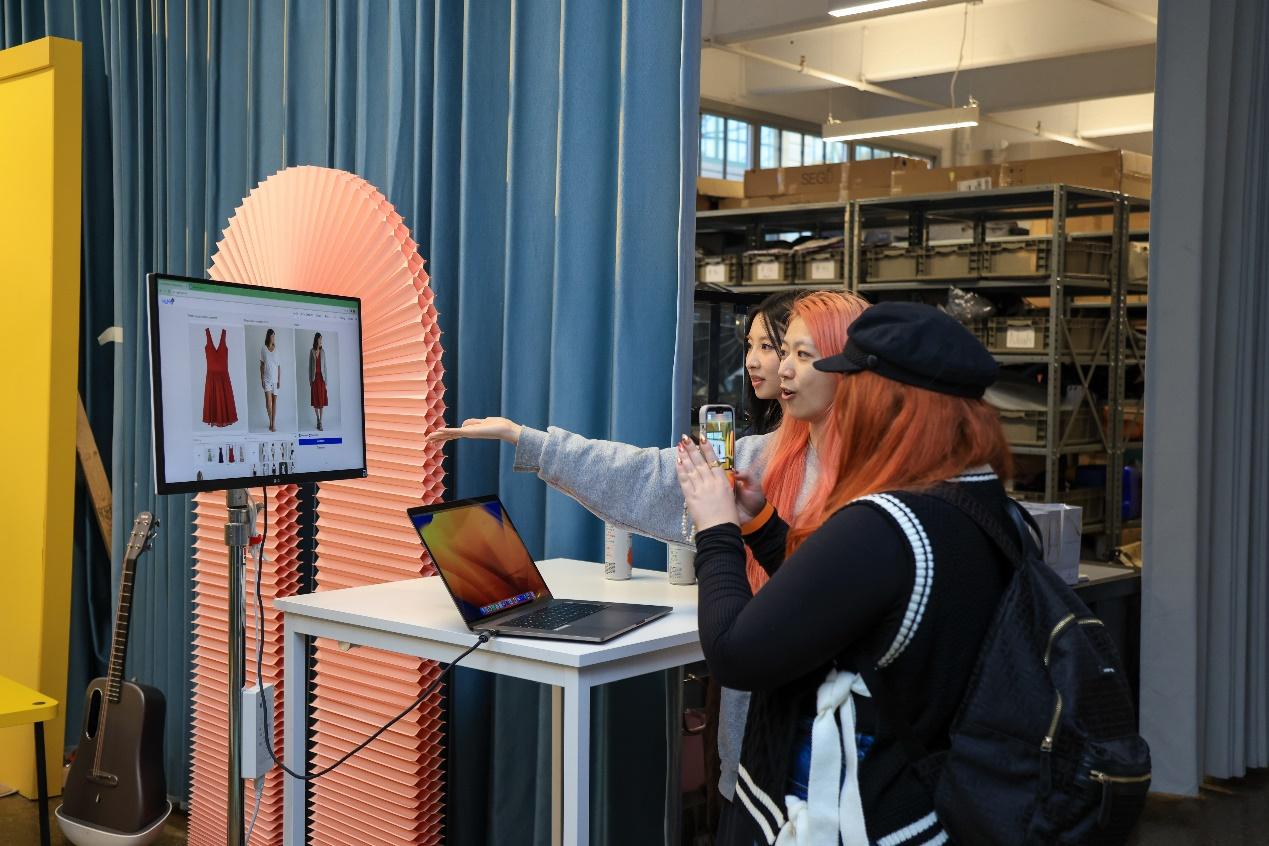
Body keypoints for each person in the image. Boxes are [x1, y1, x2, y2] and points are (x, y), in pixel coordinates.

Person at [426, 290, 869, 832]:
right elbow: (643, 474)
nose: (773, 366)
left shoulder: (876, 494)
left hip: (834, 776)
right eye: (775, 350)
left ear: (849, 362)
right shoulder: (756, 461)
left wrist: (722, 529)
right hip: (755, 759)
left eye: (793, 351)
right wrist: (528, 441)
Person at [676, 301, 1015, 845]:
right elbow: (844, 605)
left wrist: (716, 528)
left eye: (851, 385)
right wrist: (762, 526)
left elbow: (734, 654)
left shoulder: (883, 524)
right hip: (932, 805)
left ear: (889, 401)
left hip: (849, 815)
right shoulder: (988, 510)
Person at [259, 328, 281, 432]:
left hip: (275, 379)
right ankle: (270, 422)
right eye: (272, 336)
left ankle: (273, 423)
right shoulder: (263, 349)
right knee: (268, 402)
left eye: (274, 336)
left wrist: (279, 380)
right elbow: (261, 365)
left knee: (274, 401)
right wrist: (262, 379)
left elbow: (279, 366)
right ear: (268, 337)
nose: (273, 338)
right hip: (267, 379)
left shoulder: (276, 349)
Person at [309, 332, 329, 431]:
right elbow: (310, 367)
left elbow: (325, 367)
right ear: (316, 339)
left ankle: (321, 421)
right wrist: (310, 380)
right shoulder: (311, 351)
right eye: (320, 339)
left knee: (321, 400)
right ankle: (317, 418)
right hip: (314, 379)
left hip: (321, 379)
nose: (321, 341)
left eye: (321, 339)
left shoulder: (323, 352)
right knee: (316, 400)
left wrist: (326, 381)